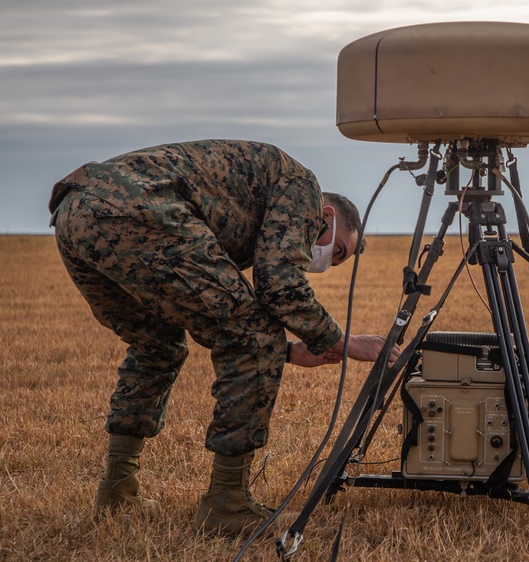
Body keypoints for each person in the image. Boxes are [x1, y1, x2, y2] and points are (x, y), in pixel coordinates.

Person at [48, 139, 399, 536]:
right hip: (137, 209)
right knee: (254, 336)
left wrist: (287, 351)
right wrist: (343, 341)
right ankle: (227, 504)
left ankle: (116, 493)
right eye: (336, 251)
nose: (326, 263)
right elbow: (277, 284)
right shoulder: (304, 189)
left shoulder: (262, 201)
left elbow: (213, 314)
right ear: (327, 214)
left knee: (157, 344)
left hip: (74, 211)